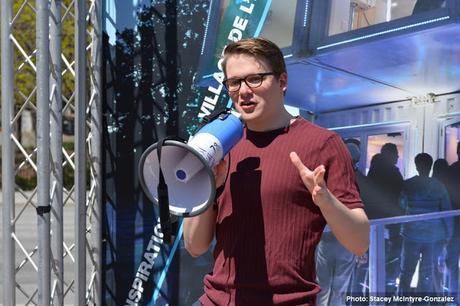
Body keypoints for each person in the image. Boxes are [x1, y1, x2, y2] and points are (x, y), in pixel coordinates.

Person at [183, 37, 369, 306]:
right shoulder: (218, 144)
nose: (243, 91)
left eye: (255, 79)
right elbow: (195, 246)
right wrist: (207, 188)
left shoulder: (323, 144)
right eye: (234, 82)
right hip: (215, 300)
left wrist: (325, 200)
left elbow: (359, 242)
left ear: (282, 82)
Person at [397, 153, 453, 295]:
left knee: (406, 272)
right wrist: (448, 235)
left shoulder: (408, 184)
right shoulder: (438, 186)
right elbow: (446, 212)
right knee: (426, 274)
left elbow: (401, 204)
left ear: (416, 166)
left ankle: (402, 301)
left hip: (411, 235)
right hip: (433, 236)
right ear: (430, 167)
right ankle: (422, 302)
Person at [315, 140, 362, 306]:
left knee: (323, 285)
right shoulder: (359, 180)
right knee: (340, 288)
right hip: (346, 240)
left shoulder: (325, 177)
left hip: (326, 236)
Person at [447, 142, 460, 302]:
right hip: (454, 226)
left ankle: (453, 297)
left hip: (453, 226)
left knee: (452, 264)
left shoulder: (450, 171)